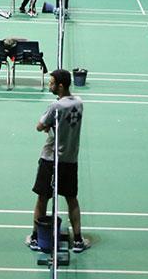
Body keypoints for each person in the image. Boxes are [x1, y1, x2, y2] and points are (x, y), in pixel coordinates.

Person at [25, 69, 90, 253]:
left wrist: (48, 126)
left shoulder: (55, 106)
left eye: (52, 83)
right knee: (72, 199)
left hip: (51, 159)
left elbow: (39, 126)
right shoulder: (79, 103)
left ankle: (36, 238)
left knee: (42, 199)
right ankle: (77, 240)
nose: (49, 85)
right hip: (70, 159)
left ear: (60, 86)